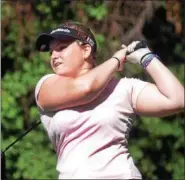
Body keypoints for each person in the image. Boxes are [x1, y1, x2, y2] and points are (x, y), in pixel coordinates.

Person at [34, 21, 184, 179]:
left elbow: (177, 99)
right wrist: (116, 59)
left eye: (61, 48)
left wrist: (146, 57)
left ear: (86, 50)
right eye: (51, 52)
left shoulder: (123, 88)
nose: (54, 56)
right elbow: (87, 89)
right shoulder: (46, 85)